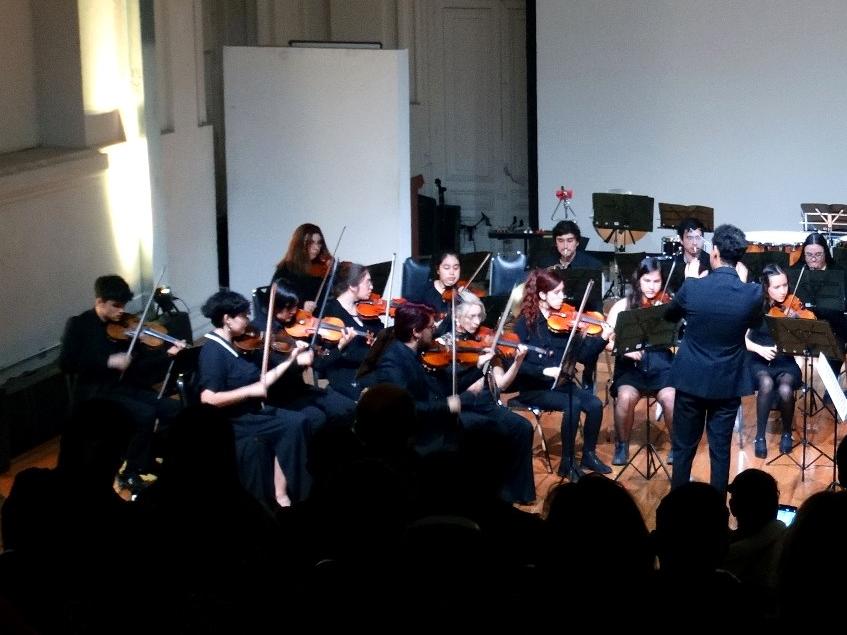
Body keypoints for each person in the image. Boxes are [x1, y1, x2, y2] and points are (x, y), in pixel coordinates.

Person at [59, 274, 185, 494]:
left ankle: (149, 456)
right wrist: (108, 361)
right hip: (96, 392)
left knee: (172, 408)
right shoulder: (79, 324)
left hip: (124, 387)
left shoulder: (125, 327)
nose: (121, 311)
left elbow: (139, 366)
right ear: (99, 301)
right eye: (115, 306)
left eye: (123, 305)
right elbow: (66, 363)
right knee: (145, 414)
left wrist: (168, 355)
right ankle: (129, 472)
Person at [664, 224, 761, 494]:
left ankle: (676, 507)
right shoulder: (751, 293)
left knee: (683, 448)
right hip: (727, 381)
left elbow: (670, 315)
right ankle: (716, 514)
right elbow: (755, 321)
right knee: (720, 450)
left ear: (715, 252)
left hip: (691, 379)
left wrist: (688, 281)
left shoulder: (693, 287)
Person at [196, 290, 312, 506]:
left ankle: (282, 492)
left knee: (298, 421)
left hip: (251, 411)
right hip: (234, 420)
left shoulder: (238, 344)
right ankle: (278, 498)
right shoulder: (212, 351)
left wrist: (290, 359)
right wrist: (250, 391)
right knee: (293, 424)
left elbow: (263, 382)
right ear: (227, 319)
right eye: (243, 315)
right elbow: (208, 399)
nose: (249, 320)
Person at [510, 268, 613, 480]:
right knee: (573, 404)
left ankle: (588, 455)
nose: (562, 297)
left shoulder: (564, 320)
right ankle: (567, 462)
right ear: (541, 295)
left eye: (562, 291)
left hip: (560, 384)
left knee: (593, 404)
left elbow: (583, 357)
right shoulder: (524, 324)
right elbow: (518, 364)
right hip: (534, 388)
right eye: (556, 293)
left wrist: (602, 337)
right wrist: (544, 370)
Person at [435, 294, 536, 503]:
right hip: (460, 405)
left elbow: (500, 385)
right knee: (487, 431)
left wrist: (517, 363)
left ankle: (518, 491)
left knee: (523, 427)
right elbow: (445, 380)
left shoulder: (486, 343)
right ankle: (487, 491)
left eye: (478, 317)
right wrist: (475, 365)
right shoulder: (444, 343)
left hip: (487, 404)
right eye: (471, 317)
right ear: (456, 319)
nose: (476, 322)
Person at [358, 302, 462, 455]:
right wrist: (447, 406)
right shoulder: (392, 363)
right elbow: (405, 407)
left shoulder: (415, 353)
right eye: (431, 327)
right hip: (413, 438)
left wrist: (478, 370)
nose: (433, 332)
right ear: (416, 332)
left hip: (430, 424)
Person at [605, 257, 675, 466]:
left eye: (656, 281)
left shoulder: (667, 304)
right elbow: (606, 341)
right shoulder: (622, 305)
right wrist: (624, 350)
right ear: (638, 281)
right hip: (631, 369)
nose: (652, 287)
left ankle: (676, 444)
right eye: (647, 281)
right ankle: (622, 443)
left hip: (661, 366)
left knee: (671, 397)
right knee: (625, 398)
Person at [744, 264, 802, 459]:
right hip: (758, 358)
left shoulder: (791, 306)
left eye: (785, 285)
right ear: (766, 288)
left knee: (786, 389)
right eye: (776, 287)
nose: (783, 291)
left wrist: (796, 325)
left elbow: (803, 343)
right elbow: (741, 338)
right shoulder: (755, 306)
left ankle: (787, 432)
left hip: (784, 360)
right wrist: (760, 349)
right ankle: (759, 437)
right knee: (766, 383)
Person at [315, 261, 384, 399]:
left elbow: (380, 331)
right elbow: (322, 361)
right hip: (348, 373)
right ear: (352, 285)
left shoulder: (366, 310)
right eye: (367, 282)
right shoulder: (330, 313)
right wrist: (342, 346)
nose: (372, 287)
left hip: (372, 367)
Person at [271, 223, 332, 313]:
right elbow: (277, 297)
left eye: (319, 243)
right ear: (299, 245)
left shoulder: (322, 267)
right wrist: (301, 304)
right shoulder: (286, 269)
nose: (316, 248)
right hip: (298, 320)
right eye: (310, 243)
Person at [533, 220, 603, 271]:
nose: (565, 246)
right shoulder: (544, 264)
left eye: (570, 241)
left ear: (577, 242)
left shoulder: (593, 266)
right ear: (555, 242)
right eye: (560, 240)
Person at [666, 217, 712, 293]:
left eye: (698, 237)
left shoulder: (711, 263)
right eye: (690, 238)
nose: (694, 242)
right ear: (681, 240)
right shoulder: (674, 264)